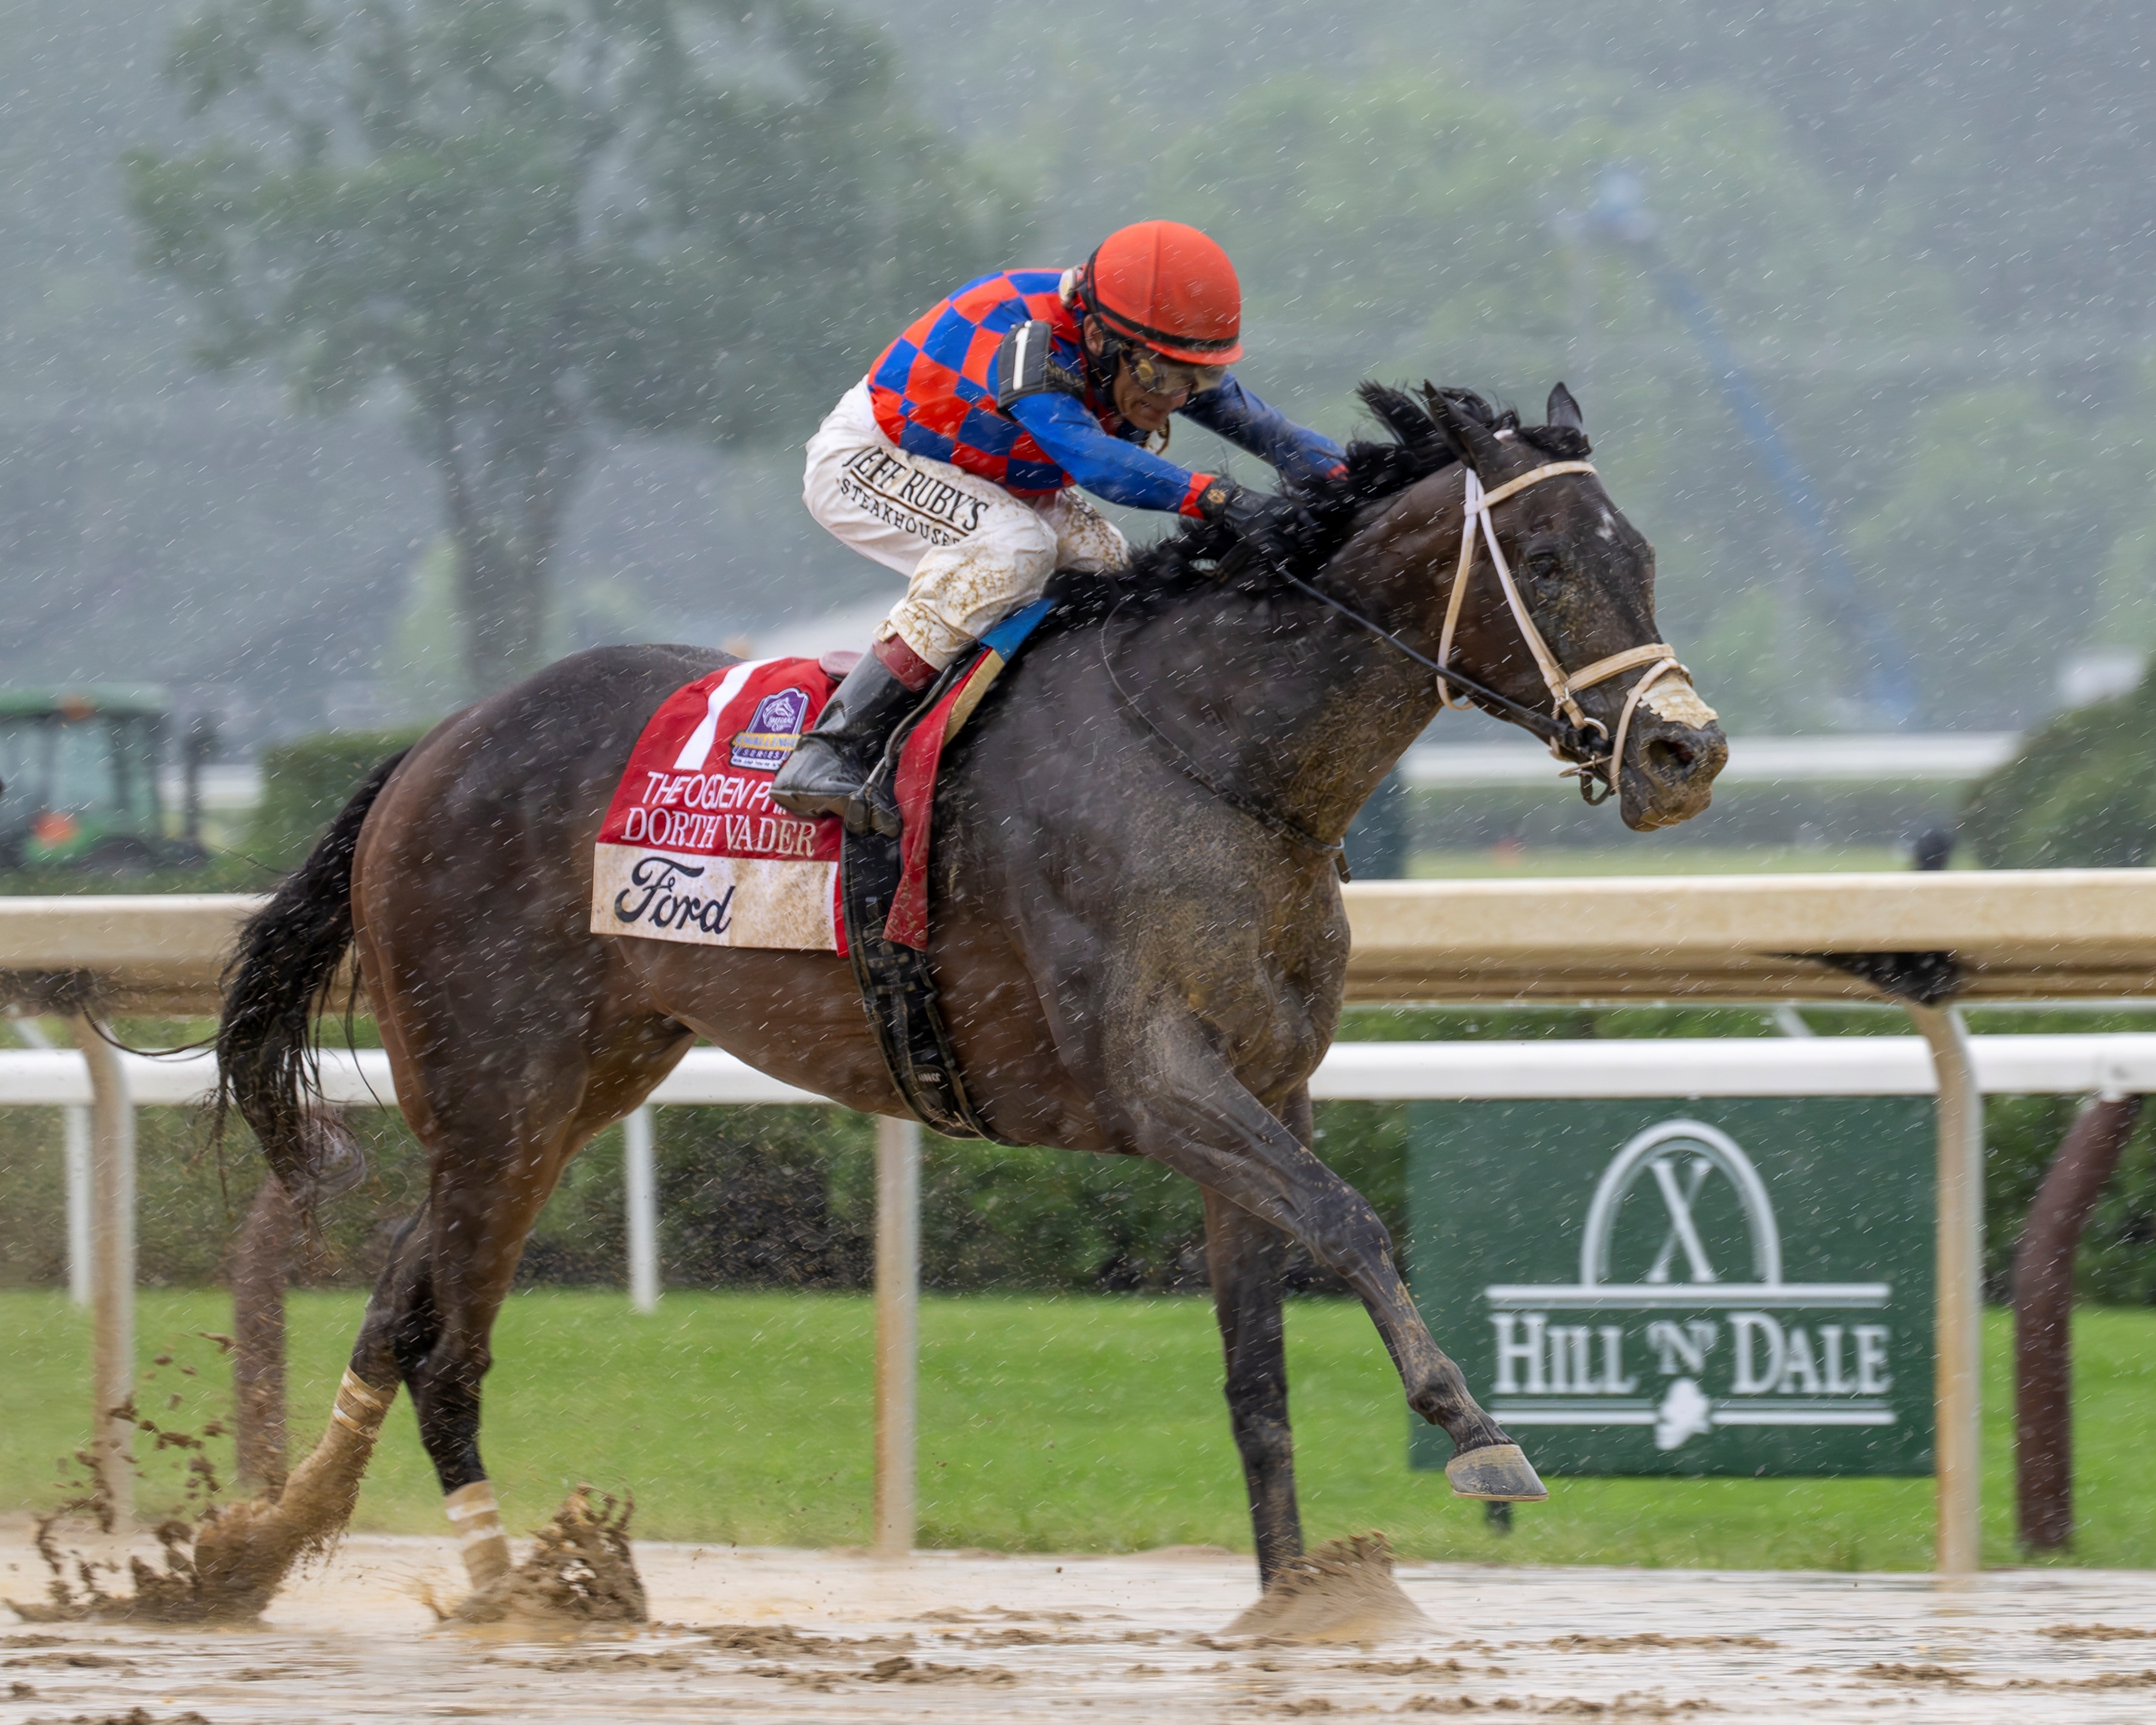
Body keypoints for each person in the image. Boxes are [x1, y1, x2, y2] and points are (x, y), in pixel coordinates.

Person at [772, 219, 1344, 835]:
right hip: (870, 457)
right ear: (1097, 334)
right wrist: (1218, 497)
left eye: (1197, 380)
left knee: (1109, 567)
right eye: (1163, 376)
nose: (1178, 398)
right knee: (1012, 548)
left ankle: (1025, 742)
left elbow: (1277, 437)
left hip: (990, 476)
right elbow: (1093, 464)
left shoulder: (1149, 347)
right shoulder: (1028, 339)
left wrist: (1369, 476)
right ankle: (830, 748)